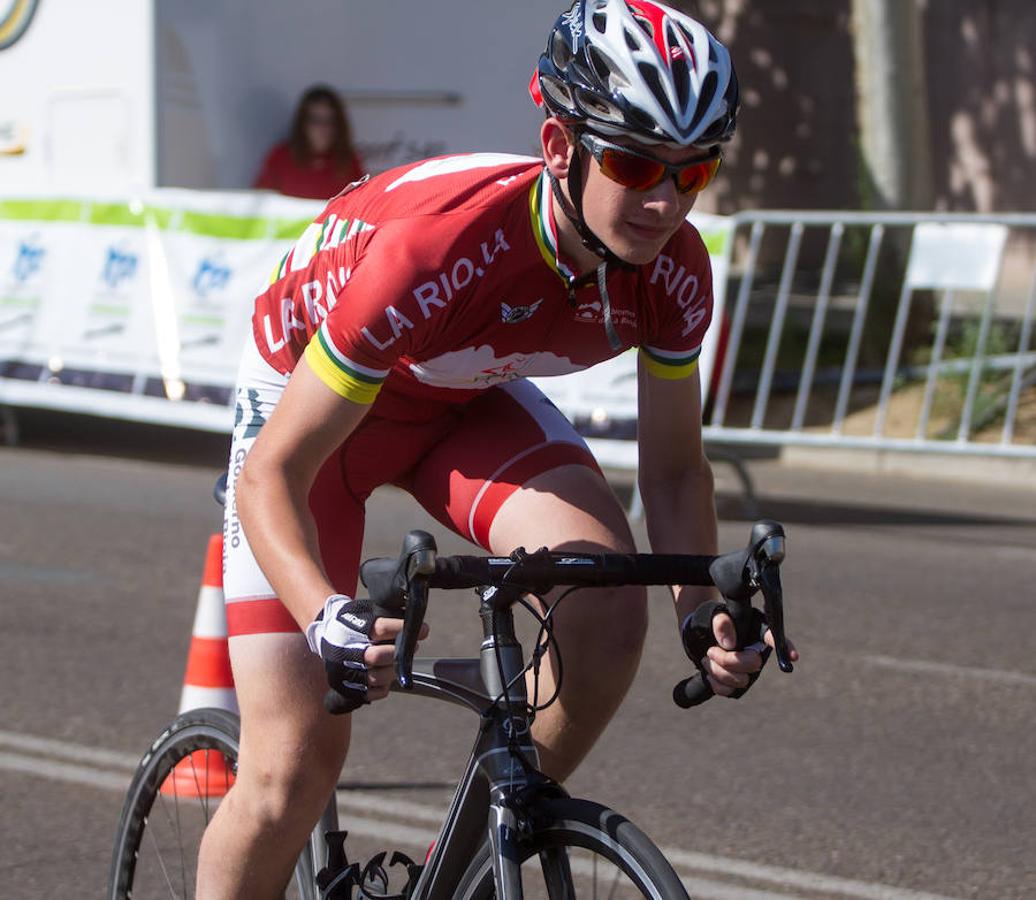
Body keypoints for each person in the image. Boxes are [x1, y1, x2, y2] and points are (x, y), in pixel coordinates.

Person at [200, 2, 798, 896]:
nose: (665, 199)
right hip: (310, 415)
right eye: (635, 163)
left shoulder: (676, 272)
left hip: (457, 396)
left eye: (693, 170)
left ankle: (486, 856)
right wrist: (325, 614)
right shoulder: (438, 249)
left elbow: (674, 470)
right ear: (560, 147)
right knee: (289, 773)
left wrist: (696, 611)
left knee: (606, 607)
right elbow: (273, 472)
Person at [253, 84, 364, 200]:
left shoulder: (348, 160)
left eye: (330, 121)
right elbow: (262, 201)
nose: (323, 128)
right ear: (303, 124)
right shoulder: (281, 157)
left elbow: (360, 204)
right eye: (316, 121)